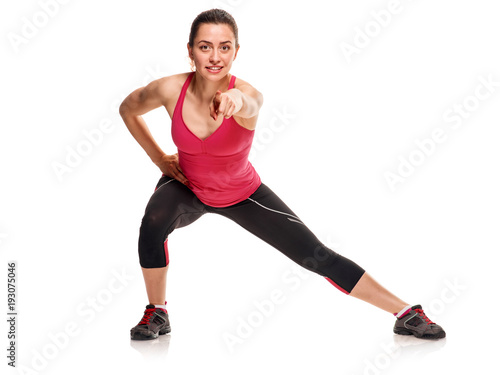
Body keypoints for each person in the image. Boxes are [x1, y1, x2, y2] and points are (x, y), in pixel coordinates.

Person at [119, 8, 445, 342]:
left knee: (316, 255)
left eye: (225, 47)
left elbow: (250, 103)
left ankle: (406, 313)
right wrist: (160, 159)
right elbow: (127, 109)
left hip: (241, 194)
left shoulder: (246, 93)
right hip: (187, 185)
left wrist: (234, 99)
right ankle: (157, 311)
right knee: (153, 220)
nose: (215, 57)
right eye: (205, 47)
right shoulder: (168, 89)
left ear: (236, 51)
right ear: (190, 51)